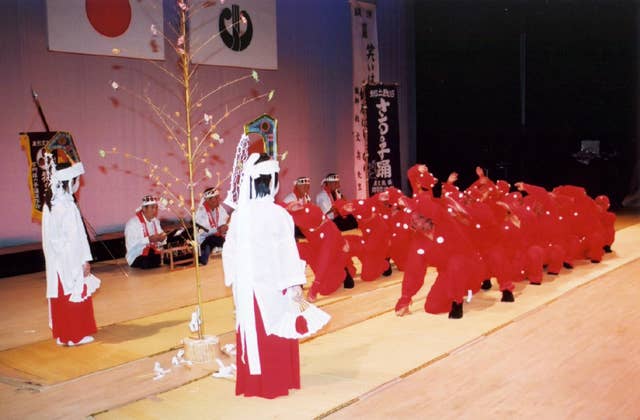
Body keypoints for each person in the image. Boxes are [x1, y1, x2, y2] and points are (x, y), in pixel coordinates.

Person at [222, 153, 329, 399]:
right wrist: (294, 285)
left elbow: (229, 250)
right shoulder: (278, 214)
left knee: (255, 331)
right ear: (272, 181)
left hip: (247, 289)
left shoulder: (239, 215)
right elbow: (287, 252)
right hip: (273, 285)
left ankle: (254, 383)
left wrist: (237, 280)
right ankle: (276, 381)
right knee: (276, 329)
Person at [42, 148, 100, 346]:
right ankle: (74, 335)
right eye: (74, 181)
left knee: (61, 294)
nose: (76, 185)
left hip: (58, 261)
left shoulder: (51, 204)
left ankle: (63, 334)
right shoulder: (64, 206)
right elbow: (75, 237)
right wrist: (82, 260)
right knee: (71, 293)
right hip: (69, 259)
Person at [125, 195, 166, 269]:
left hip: (153, 252)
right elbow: (131, 244)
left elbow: (161, 238)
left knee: (166, 255)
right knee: (148, 259)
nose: (155, 211)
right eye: (152, 208)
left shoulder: (155, 221)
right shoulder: (133, 223)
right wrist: (148, 239)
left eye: (156, 208)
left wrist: (162, 238)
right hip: (136, 255)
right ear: (144, 208)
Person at [195, 187, 229, 265]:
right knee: (212, 240)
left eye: (218, 197)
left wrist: (226, 226)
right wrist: (218, 229)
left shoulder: (220, 208)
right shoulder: (200, 212)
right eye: (216, 198)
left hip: (218, 237)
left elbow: (226, 221)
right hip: (203, 241)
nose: (218, 200)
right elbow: (202, 232)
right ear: (208, 200)